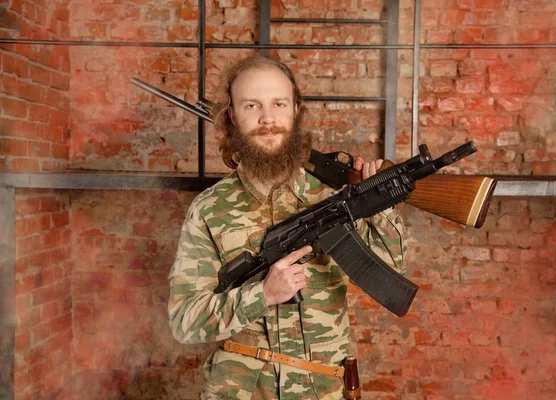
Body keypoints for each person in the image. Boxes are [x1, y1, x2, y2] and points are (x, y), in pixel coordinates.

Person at [168, 54, 407, 400]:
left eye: (279, 103)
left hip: (323, 389)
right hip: (241, 392)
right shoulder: (208, 209)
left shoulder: (335, 194)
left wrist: (378, 202)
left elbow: (392, 268)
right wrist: (261, 295)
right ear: (233, 115)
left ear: (295, 109)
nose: (268, 118)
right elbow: (183, 320)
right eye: (252, 105)